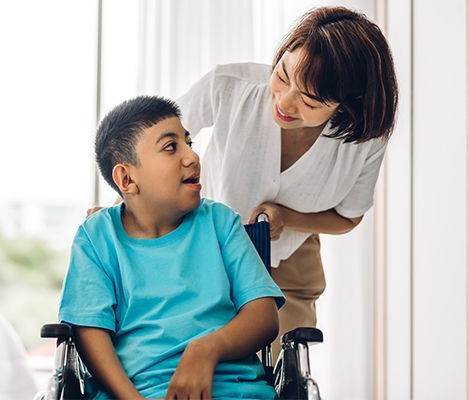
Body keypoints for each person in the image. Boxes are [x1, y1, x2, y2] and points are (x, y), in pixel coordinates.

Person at [176, 6, 398, 359]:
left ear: (346, 106)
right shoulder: (228, 86)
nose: (285, 101)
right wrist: (124, 210)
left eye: (309, 100)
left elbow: (349, 217)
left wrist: (288, 218)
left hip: (290, 268)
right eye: (283, 75)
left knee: (278, 376)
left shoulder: (365, 141)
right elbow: (156, 141)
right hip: (205, 251)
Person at [59, 96, 285, 400]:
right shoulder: (97, 237)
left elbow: (264, 316)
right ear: (126, 178)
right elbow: (89, 332)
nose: (192, 157)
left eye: (188, 142)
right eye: (170, 147)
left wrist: (206, 349)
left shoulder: (220, 222)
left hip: (235, 391)